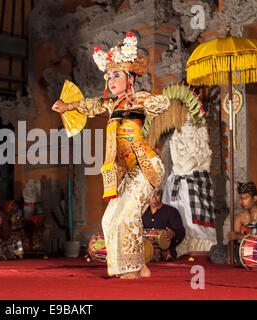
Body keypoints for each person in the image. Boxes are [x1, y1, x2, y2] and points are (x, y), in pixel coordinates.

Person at [52, 32, 169, 279]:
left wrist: (140, 99)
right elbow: (91, 105)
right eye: (109, 76)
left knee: (127, 215)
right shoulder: (111, 105)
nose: (111, 80)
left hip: (147, 166)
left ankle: (130, 270)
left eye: (116, 75)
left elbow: (163, 105)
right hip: (127, 172)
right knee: (108, 220)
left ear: (130, 78)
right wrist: (67, 106)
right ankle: (140, 266)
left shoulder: (141, 98)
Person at [225, 181, 257, 264]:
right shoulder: (240, 217)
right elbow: (234, 239)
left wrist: (241, 236)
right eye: (240, 198)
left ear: (254, 199)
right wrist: (230, 254)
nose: (241, 202)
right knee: (215, 250)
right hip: (245, 249)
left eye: (245, 198)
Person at [142, 190, 185, 261]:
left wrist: (173, 234)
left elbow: (181, 232)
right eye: (151, 196)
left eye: (157, 194)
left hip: (166, 257)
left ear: (161, 194)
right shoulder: (142, 212)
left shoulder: (171, 211)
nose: (155, 199)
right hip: (146, 257)